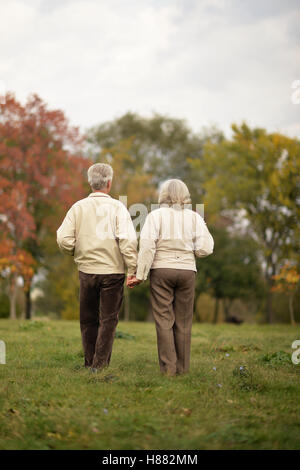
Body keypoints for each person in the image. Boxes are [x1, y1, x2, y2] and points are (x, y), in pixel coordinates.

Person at [128, 179, 214, 376]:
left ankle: (168, 369)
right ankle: (183, 370)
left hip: (161, 271)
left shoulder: (155, 216)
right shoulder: (194, 217)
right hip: (186, 271)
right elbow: (206, 248)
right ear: (185, 195)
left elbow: (148, 247)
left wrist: (140, 275)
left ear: (163, 195)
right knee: (184, 322)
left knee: (164, 321)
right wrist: (190, 251)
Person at [57, 163, 138, 371]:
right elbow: (127, 241)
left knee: (88, 319)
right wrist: (133, 269)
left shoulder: (78, 207)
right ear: (109, 183)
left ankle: (89, 362)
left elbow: (63, 238)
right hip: (113, 272)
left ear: (90, 182)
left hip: (86, 271)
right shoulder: (118, 208)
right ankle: (99, 365)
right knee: (108, 320)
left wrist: (76, 251)